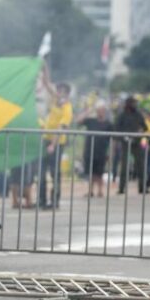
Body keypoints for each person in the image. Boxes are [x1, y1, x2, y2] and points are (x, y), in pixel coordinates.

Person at [38, 69, 72, 209]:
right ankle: (42, 200)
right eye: (58, 91)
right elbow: (47, 85)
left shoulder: (67, 108)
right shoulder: (54, 101)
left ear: (67, 94)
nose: (59, 94)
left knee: (54, 173)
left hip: (57, 143)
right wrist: (44, 69)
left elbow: (61, 128)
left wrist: (53, 144)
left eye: (62, 92)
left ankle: (54, 201)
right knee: (41, 172)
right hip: (46, 140)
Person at [75, 100, 113, 197]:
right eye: (98, 110)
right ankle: (90, 191)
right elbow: (78, 120)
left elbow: (113, 140)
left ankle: (100, 191)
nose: (100, 112)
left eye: (102, 110)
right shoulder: (91, 121)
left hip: (101, 151)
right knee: (90, 172)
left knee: (99, 172)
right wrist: (89, 110)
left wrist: (110, 152)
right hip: (89, 150)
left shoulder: (108, 124)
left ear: (104, 111)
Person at [115, 96, 149, 194]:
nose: (135, 105)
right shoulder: (122, 115)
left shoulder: (138, 114)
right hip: (125, 143)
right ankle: (121, 188)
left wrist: (140, 131)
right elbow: (117, 128)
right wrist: (123, 136)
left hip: (137, 142)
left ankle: (142, 187)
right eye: (133, 103)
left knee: (140, 165)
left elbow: (145, 127)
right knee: (124, 166)